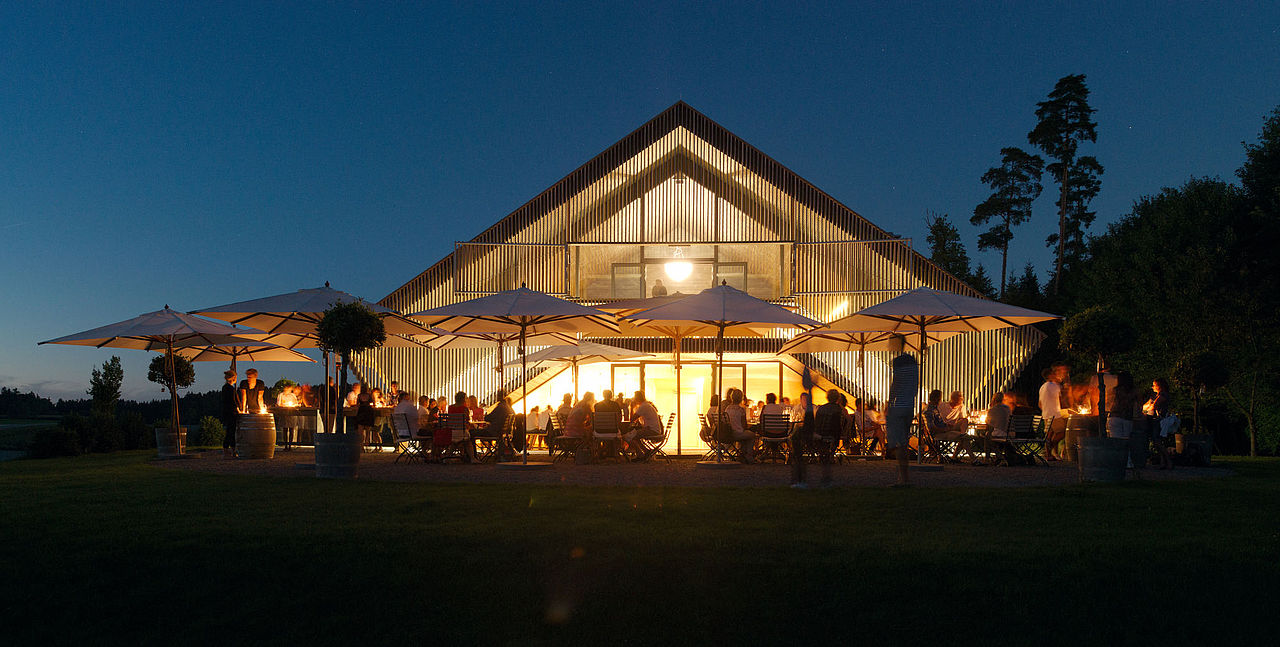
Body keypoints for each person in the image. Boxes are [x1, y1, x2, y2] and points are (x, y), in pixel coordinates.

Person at [885, 334, 917, 486]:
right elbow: (915, 385)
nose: (889, 346)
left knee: (898, 444)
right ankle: (903, 478)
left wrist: (889, 403)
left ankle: (903, 479)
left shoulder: (897, 362)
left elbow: (895, 384)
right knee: (903, 441)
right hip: (909, 406)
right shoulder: (912, 360)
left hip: (898, 407)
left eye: (890, 343)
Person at [923, 389, 972, 461]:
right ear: (937, 399)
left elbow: (939, 422)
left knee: (964, 431)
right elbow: (932, 427)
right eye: (940, 398)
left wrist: (947, 426)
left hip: (945, 429)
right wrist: (945, 429)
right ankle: (972, 459)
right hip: (939, 433)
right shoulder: (930, 410)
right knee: (964, 438)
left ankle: (958, 456)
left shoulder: (934, 408)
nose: (941, 400)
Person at [1038, 365, 1069, 460]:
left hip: (1046, 414)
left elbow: (1039, 404)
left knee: (1049, 434)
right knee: (1063, 432)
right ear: (1050, 375)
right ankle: (1051, 445)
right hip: (1055, 414)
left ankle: (1050, 454)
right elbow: (1061, 399)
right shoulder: (1054, 386)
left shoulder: (1042, 387)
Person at [624, 391, 664, 459]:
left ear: (637, 398)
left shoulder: (643, 406)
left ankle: (640, 454)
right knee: (634, 435)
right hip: (653, 429)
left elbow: (632, 418)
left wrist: (632, 406)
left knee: (628, 436)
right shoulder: (646, 405)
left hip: (651, 430)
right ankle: (646, 452)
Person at [1144, 378, 1173, 469]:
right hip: (1155, 419)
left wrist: (1150, 406)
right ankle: (1163, 462)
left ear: (1159, 386)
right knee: (1156, 441)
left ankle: (1168, 461)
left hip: (1159, 420)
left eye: (1154, 385)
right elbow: (1145, 405)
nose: (1152, 387)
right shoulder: (1156, 396)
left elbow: (1154, 406)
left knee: (1157, 441)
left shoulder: (1163, 395)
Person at [723, 389, 756, 463]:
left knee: (746, 436)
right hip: (738, 433)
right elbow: (744, 426)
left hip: (730, 433)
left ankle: (742, 454)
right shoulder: (741, 410)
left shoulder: (727, 408)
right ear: (741, 398)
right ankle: (748, 455)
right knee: (752, 435)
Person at [1107, 372, 1138, 440]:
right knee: (1126, 441)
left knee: (1116, 441)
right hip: (1127, 417)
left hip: (1115, 417)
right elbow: (1138, 405)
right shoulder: (1134, 391)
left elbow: (1109, 402)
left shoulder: (1115, 390)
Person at [220, 370, 239, 458]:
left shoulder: (225, 387)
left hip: (226, 412)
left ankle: (231, 450)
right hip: (232, 412)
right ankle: (228, 450)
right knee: (230, 432)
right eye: (235, 377)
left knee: (230, 431)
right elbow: (233, 401)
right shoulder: (230, 388)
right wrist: (238, 410)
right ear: (233, 378)